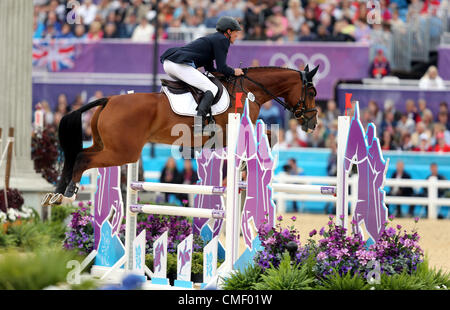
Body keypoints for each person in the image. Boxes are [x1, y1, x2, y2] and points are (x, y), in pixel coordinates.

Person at [159, 16, 244, 135]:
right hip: (178, 64)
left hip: (170, 64)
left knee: (199, 88)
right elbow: (222, 68)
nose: (237, 35)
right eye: (236, 32)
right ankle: (199, 124)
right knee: (211, 88)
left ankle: (187, 119)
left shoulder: (214, 39)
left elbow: (210, 68)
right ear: (229, 32)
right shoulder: (222, 40)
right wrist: (234, 72)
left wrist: (225, 75)